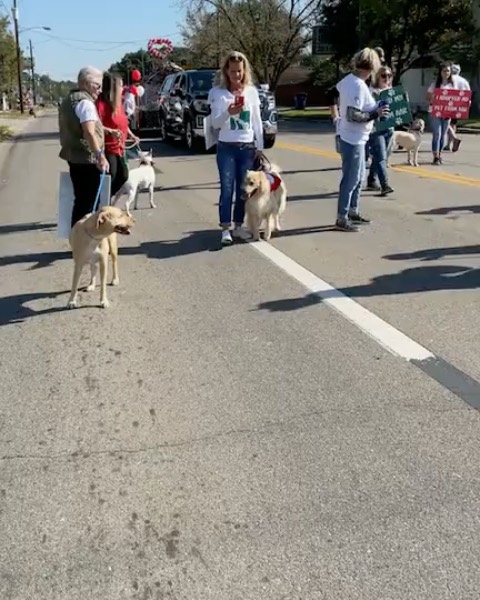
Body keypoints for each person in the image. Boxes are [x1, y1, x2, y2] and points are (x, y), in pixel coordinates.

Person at [208, 50, 263, 246]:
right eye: (232, 71)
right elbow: (214, 124)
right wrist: (228, 112)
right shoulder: (217, 93)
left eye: (239, 71)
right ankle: (225, 228)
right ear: (226, 71)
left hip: (247, 147)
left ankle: (238, 226)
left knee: (244, 189)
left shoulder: (252, 92)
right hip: (226, 148)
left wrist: (259, 146)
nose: (236, 75)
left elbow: (256, 121)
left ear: (244, 71)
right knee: (227, 188)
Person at [335, 48, 388, 232]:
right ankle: (342, 217)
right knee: (351, 178)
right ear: (372, 66)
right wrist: (375, 113)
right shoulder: (357, 85)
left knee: (358, 177)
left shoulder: (352, 82)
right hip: (353, 138)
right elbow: (352, 114)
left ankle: (352, 210)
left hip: (356, 137)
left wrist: (376, 107)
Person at [59, 66, 109, 227]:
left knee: (81, 200)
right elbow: (89, 132)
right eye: (98, 86)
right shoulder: (85, 103)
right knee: (87, 203)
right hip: (87, 159)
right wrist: (100, 155)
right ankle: (83, 242)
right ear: (88, 83)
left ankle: (78, 240)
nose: (100, 90)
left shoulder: (70, 99)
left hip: (74, 156)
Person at [96, 72, 140, 197]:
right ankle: (104, 200)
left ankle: (107, 198)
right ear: (113, 88)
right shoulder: (101, 104)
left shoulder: (119, 103)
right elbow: (96, 126)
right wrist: (110, 131)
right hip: (108, 147)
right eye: (120, 85)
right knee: (112, 176)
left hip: (119, 147)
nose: (123, 87)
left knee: (124, 175)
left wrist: (131, 135)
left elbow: (123, 123)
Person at [366, 65, 395, 196]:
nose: (387, 78)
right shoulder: (370, 92)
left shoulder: (392, 91)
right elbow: (366, 109)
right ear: (377, 77)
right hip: (375, 128)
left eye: (389, 75)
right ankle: (385, 185)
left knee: (380, 156)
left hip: (389, 128)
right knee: (381, 156)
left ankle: (372, 179)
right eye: (384, 75)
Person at [426, 61, 458, 164]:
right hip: (435, 112)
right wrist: (434, 98)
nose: (446, 73)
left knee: (443, 134)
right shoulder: (435, 84)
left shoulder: (453, 85)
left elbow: (458, 99)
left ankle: (439, 155)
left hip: (447, 113)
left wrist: (466, 102)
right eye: (444, 71)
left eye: (448, 71)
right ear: (440, 72)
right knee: (437, 133)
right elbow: (427, 97)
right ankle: (435, 156)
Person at [444, 64, 470, 151]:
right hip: (459, 105)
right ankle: (448, 144)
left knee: (444, 121)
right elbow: (468, 93)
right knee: (453, 124)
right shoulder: (464, 81)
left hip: (448, 103)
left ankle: (454, 139)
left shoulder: (449, 79)